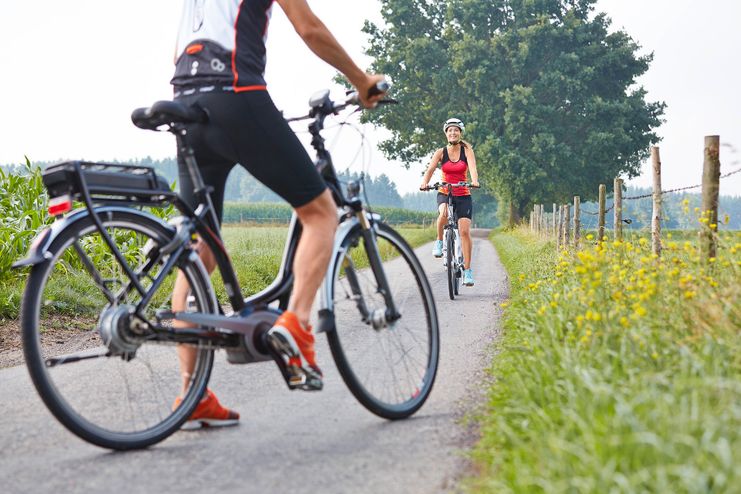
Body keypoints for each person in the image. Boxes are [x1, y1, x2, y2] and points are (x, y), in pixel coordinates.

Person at [169, 0, 386, 429]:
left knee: (201, 247)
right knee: (321, 210)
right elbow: (309, 28)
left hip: (185, 100)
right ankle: (298, 323)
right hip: (237, 93)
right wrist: (361, 80)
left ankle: (191, 390)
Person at [419, 118, 479, 287]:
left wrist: (474, 181)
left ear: (460, 133)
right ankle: (439, 241)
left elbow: (473, 168)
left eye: (456, 130)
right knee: (444, 212)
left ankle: (467, 270)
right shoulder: (441, 152)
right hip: (444, 191)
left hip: (463, 193)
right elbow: (430, 169)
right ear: (446, 133)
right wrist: (425, 183)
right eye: (450, 130)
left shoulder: (467, 150)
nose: (453, 133)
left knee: (465, 232)